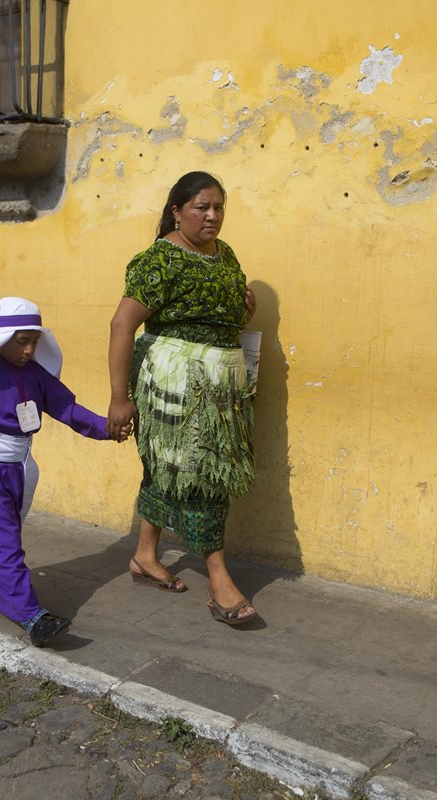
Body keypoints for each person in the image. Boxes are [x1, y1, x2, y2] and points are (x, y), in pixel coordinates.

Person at [0, 297, 129, 646]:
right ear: (0, 339)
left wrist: (108, 428)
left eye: (34, 341)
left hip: (22, 466)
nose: (29, 349)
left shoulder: (36, 375)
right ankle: (31, 615)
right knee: (6, 542)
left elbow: (69, 409)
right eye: (21, 341)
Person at [107, 171, 259, 625]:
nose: (212, 216)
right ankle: (219, 579)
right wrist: (119, 397)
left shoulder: (225, 254)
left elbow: (219, 312)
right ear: (177, 211)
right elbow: (121, 325)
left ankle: (145, 556)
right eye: (201, 207)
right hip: (176, 384)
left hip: (220, 388)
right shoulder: (160, 260)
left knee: (168, 468)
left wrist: (241, 307)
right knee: (201, 476)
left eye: (218, 208)